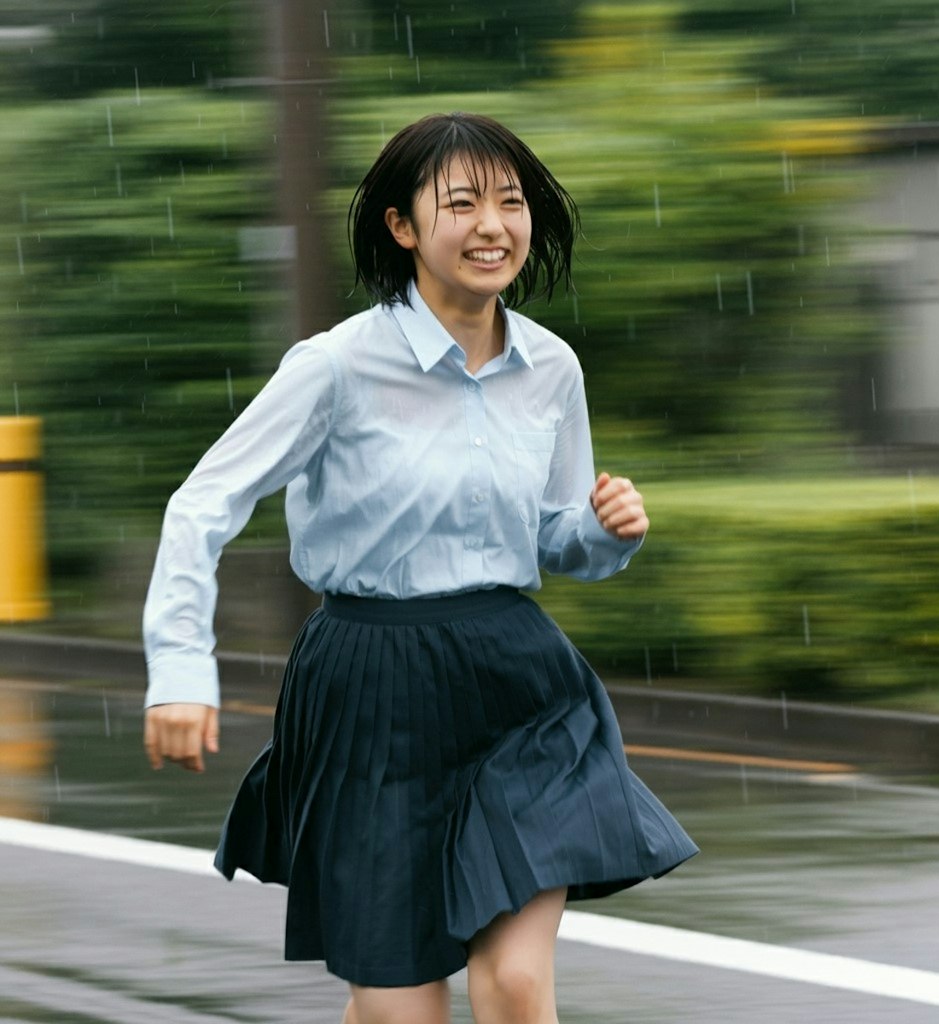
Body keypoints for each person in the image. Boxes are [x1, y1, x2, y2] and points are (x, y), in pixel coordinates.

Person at [142, 112, 698, 1024]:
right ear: (403, 227)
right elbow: (203, 505)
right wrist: (179, 671)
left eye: (511, 203)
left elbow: (555, 538)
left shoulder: (550, 367)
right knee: (401, 1011)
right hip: (371, 686)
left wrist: (609, 533)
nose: (493, 226)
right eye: (463, 203)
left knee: (515, 984)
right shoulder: (335, 367)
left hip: (520, 685)